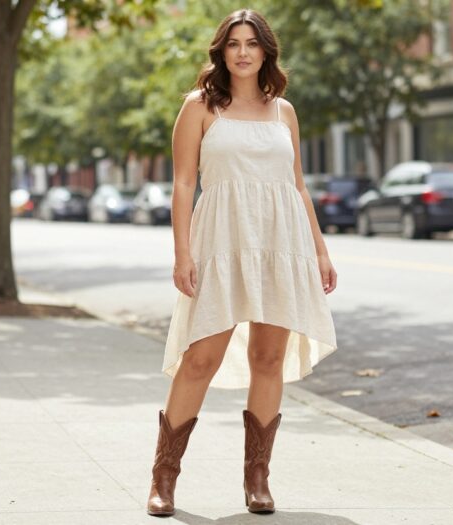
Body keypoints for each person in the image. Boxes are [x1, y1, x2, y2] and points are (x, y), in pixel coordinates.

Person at [147, 9, 338, 517]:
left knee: (268, 359)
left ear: (266, 51)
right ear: (221, 51)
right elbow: (184, 183)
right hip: (221, 243)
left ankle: (258, 479)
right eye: (234, 43)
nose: (243, 52)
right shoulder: (200, 107)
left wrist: (319, 249)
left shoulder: (285, 112)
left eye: (252, 43)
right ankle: (163, 478)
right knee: (201, 357)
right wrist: (182, 252)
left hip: (281, 243)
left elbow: (297, 186)